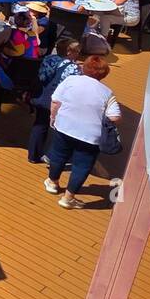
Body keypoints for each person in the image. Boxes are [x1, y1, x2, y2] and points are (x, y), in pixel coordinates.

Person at [45, 57, 118, 210]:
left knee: (58, 156)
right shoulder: (107, 93)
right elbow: (115, 117)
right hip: (90, 136)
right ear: (104, 73)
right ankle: (68, 198)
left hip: (64, 126)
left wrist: (53, 117)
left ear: (84, 67)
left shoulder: (70, 81)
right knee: (82, 166)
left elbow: (55, 101)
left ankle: (52, 183)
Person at [28, 37, 83, 163]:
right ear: (69, 52)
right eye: (77, 51)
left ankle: (33, 155)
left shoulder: (48, 59)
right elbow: (73, 87)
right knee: (61, 129)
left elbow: (42, 77)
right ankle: (53, 156)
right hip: (58, 101)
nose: (78, 54)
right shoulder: (73, 68)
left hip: (42, 96)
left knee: (40, 125)